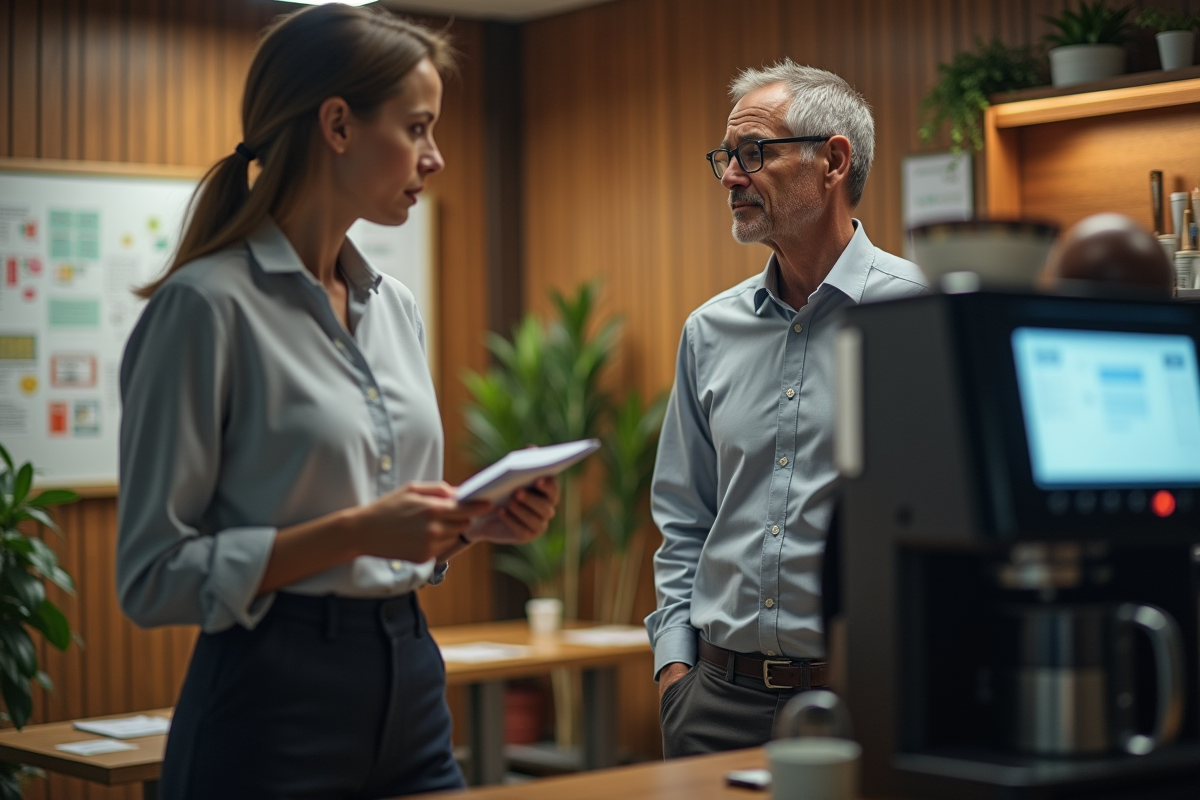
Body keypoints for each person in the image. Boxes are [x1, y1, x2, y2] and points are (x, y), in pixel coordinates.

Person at [116, 5, 558, 797]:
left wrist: (461, 527)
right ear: (338, 126)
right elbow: (151, 577)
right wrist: (359, 530)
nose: (437, 157)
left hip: (411, 676)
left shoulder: (394, 309)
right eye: (418, 128)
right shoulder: (204, 308)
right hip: (270, 697)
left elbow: (385, 542)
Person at [646, 59, 927, 758]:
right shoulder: (709, 330)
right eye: (726, 157)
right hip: (713, 701)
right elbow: (685, 519)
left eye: (753, 154)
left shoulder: (925, 317)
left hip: (866, 703)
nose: (730, 177)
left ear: (833, 161)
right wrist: (676, 670)